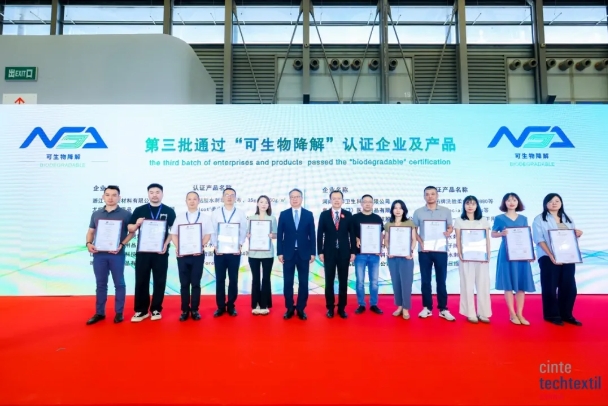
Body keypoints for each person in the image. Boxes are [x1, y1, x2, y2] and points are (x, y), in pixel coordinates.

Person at [85, 185, 134, 325]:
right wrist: (88, 243)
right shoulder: (96, 214)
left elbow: (132, 233)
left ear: (119, 197)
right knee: (100, 284)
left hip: (116, 254)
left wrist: (122, 244)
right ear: (103, 197)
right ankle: (99, 312)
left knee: (119, 283)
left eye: (114, 195)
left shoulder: (126, 214)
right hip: (99, 254)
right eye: (107, 195)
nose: (110, 198)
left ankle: (119, 312)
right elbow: (90, 231)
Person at [532, 193, 583, 326]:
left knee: (569, 287)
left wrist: (577, 234)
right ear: (545, 204)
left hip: (567, 257)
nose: (554, 203)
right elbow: (539, 240)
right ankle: (552, 315)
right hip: (548, 257)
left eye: (557, 201)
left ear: (561, 203)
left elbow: (570, 238)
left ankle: (566, 314)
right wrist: (551, 255)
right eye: (551, 201)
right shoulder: (539, 219)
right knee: (550, 286)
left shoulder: (568, 218)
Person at [128, 183, 176, 322]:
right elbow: (130, 228)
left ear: (162, 194)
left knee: (159, 280)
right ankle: (141, 310)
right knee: (141, 280)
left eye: (157, 192)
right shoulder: (139, 210)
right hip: (143, 252)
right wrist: (137, 223)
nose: (155, 195)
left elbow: (173, 231)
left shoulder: (169, 211)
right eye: (152, 192)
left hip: (160, 252)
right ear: (148, 194)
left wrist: (166, 244)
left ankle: (156, 309)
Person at [491, 192, 535, 325]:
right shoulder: (499, 218)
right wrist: (501, 234)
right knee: (508, 284)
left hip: (521, 254)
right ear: (504, 203)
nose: (511, 202)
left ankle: (520, 313)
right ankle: (512, 313)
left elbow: (526, 236)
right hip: (506, 254)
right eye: (509, 200)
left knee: (521, 284)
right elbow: (493, 234)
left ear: (518, 202)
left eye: (514, 200)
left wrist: (530, 253)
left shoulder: (523, 218)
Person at [412, 186, 455, 321]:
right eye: (427, 194)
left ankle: (443, 308)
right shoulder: (418, 212)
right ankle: (427, 307)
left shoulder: (446, 211)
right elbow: (414, 230)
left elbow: (450, 227)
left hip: (441, 250)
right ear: (424, 196)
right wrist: (421, 243)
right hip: (424, 251)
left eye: (432, 194)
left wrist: (449, 232)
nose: (430, 196)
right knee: (425, 280)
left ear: (437, 196)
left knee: (441, 280)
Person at [170, 191, 212, 322]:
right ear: (186, 201)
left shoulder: (205, 218)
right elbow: (174, 234)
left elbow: (208, 235)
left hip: (197, 255)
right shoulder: (180, 217)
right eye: (189, 199)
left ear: (199, 201)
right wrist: (178, 247)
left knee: (195, 283)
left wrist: (201, 245)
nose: (192, 201)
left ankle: (194, 309)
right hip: (183, 255)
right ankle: (184, 310)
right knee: (184, 284)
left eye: (194, 199)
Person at [277, 188, 316, 321]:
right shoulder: (284, 214)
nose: (295, 199)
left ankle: (300, 308)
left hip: (304, 254)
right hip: (288, 254)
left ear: (301, 198)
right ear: (289, 199)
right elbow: (280, 235)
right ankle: (289, 308)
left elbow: (312, 235)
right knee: (288, 282)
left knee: (303, 282)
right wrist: (280, 252)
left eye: (297, 196)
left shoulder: (308, 214)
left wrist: (313, 252)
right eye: (292, 197)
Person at [317, 190, 356, 319]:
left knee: (343, 281)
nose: (336, 200)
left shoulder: (348, 215)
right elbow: (319, 234)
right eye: (334, 198)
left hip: (344, 253)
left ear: (342, 200)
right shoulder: (324, 215)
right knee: (329, 281)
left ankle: (341, 308)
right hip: (329, 253)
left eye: (339, 198)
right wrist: (320, 251)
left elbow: (352, 234)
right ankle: (330, 307)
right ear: (330, 200)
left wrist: (353, 251)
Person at [210, 187, 248, 317]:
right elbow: (213, 230)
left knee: (233, 279)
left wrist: (240, 245)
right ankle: (220, 306)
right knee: (220, 279)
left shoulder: (240, 213)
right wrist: (215, 246)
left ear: (235, 198)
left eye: (232, 195)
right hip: (219, 252)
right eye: (226, 195)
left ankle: (231, 305)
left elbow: (243, 230)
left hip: (234, 252)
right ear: (222, 197)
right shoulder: (216, 213)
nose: (229, 197)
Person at [454, 196, 492, 324]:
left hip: (481, 257)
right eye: (468, 203)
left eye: (473, 203)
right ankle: (470, 313)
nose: (470, 206)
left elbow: (487, 238)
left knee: (483, 284)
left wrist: (487, 254)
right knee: (467, 284)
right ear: (464, 205)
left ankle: (483, 312)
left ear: (477, 206)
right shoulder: (459, 220)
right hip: (466, 257)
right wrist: (460, 254)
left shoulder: (483, 220)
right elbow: (458, 239)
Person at [384, 200, 417, 320]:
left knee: (406, 283)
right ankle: (399, 306)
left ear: (404, 210)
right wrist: (389, 250)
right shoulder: (389, 224)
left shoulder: (409, 223)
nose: (398, 210)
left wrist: (410, 251)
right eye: (395, 208)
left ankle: (406, 307)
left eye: (400, 208)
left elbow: (414, 239)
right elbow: (386, 240)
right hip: (393, 258)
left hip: (406, 258)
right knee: (396, 282)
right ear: (392, 210)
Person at [351, 194, 384, 315]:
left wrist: (379, 247)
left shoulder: (377, 218)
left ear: (373, 204)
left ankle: (374, 304)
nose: (368, 204)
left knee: (374, 281)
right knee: (360, 281)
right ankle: (361, 304)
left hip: (374, 254)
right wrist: (356, 239)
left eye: (370, 202)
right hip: (360, 254)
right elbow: (351, 233)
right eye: (365, 202)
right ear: (361, 203)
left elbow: (380, 235)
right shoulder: (355, 218)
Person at [248, 195, 277, 316]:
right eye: (261, 202)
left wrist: (272, 235)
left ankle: (264, 304)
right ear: (257, 204)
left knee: (266, 279)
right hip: (253, 253)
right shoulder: (251, 218)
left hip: (267, 253)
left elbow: (276, 234)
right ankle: (255, 304)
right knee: (255, 279)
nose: (264, 204)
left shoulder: (272, 218)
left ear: (269, 205)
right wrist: (248, 235)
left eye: (266, 202)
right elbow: (247, 233)